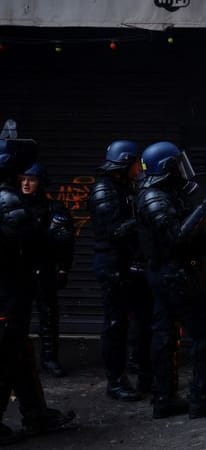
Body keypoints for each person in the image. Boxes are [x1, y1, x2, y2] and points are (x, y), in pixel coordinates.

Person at [0, 139, 76, 445]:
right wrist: (53, 236)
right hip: (8, 292)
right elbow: (31, 243)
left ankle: (36, 414)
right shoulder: (7, 199)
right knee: (7, 354)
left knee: (18, 353)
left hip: (12, 290)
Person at [136, 141, 206, 419]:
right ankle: (201, 399)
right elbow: (177, 236)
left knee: (165, 335)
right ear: (167, 168)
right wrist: (205, 208)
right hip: (175, 275)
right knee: (203, 335)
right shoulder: (154, 198)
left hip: (164, 274)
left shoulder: (156, 194)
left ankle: (165, 398)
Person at [88, 141, 152, 401]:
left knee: (140, 318)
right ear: (125, 163)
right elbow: (112, 232)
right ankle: (115, 382)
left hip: (129, 263)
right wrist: (142, 219)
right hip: (112, 264)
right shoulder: (104, 191)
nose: (139, 167)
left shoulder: (125, 186)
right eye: (136, 162)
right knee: (115, 324)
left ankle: (138, 368)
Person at [19, 163, 74, 377]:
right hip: (19, 269)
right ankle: (16, 360)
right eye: (23, 179)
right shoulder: (12, 206)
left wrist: (63, 269)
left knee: (49, 316)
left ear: (40, 183)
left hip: (44, 268)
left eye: (31, 179)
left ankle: (49, 359)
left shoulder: (55, 209)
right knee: (16, 318)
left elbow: (66, 243)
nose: (26, 183)